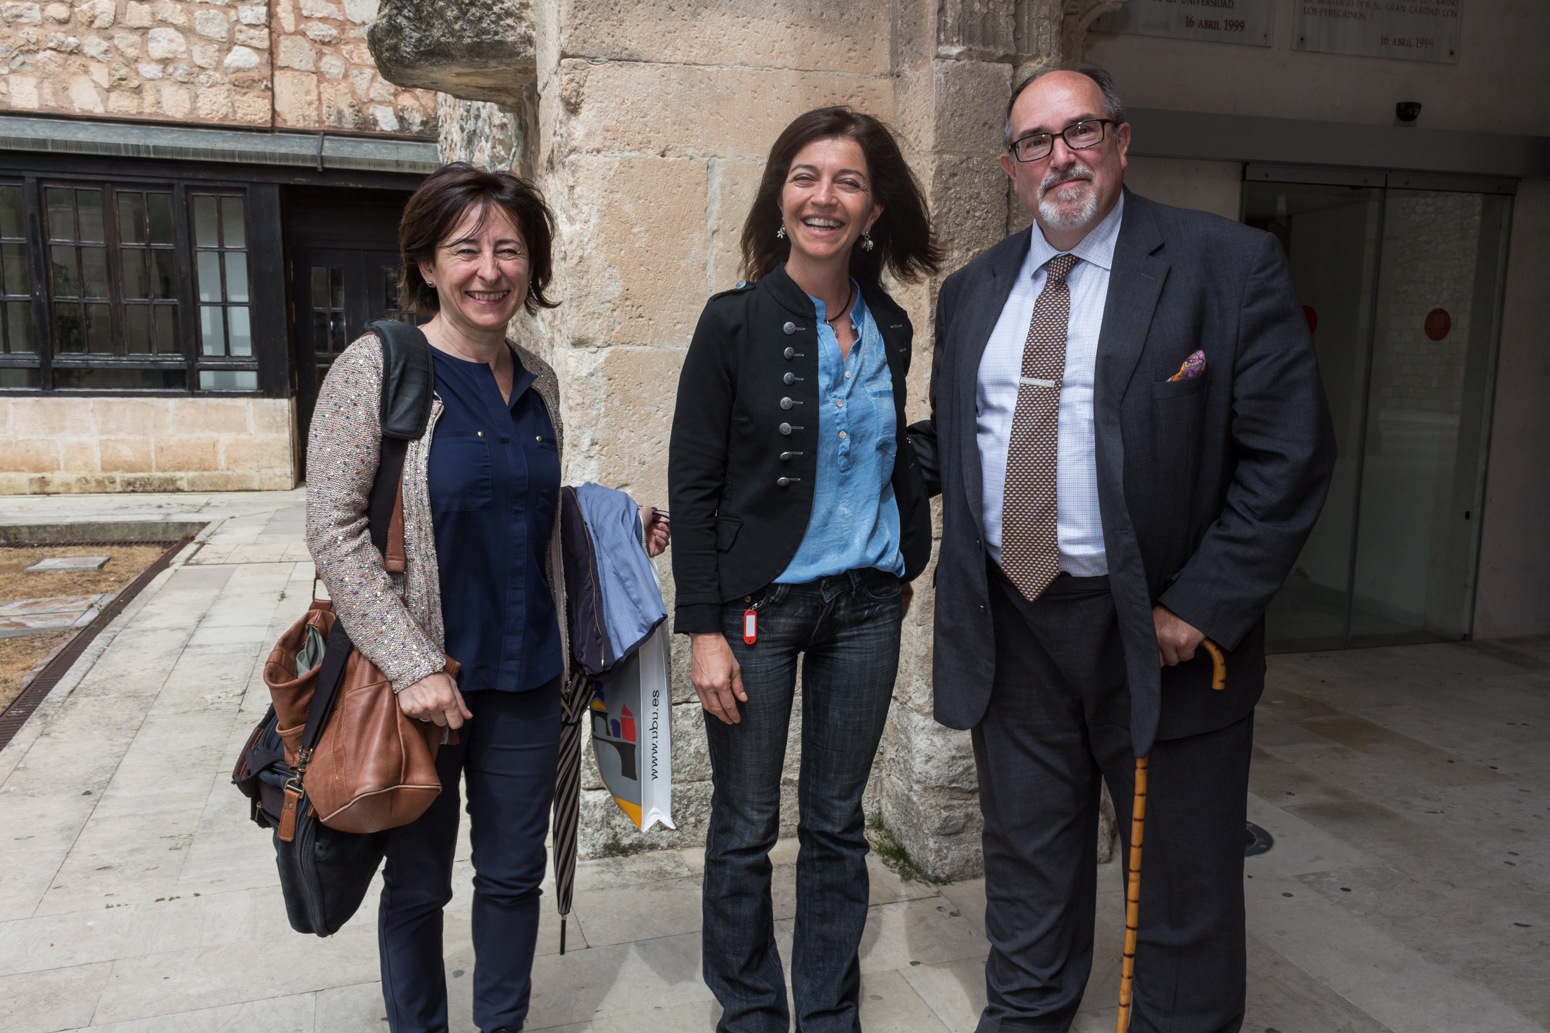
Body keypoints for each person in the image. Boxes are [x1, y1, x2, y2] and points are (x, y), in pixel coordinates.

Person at [906, 66, 1336, 1032]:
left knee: (1180, 898)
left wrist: (1202, 603)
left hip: (1160, 634)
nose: (1060, 156)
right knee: (1025, 883)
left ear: (1121, 140)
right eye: (1035, 141)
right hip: (1013, 632)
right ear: (1011, 166)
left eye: (1080, 130)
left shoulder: (1227, 265)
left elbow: (1292, 452)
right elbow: (955, 441)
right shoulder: (974, 290)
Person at [305, 163, 668, 1033]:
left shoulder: (538, 380)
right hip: (421, 689)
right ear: (428, 264)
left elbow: (525, 506)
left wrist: (613, 520)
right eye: (465, 248)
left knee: (513, 876)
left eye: (509, 249)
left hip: (527, 677)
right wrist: (411, 663)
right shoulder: (379, 369)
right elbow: (335, 530)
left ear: (531, 266)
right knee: (420, 883)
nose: (489, 269)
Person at [669, 107, 941, 1033]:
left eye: (849, 181)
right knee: (746, 827)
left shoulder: (892, 326)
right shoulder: (734, 321)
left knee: (836, 821)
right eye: (806, 176)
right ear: (780, 197)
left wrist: (904, 536)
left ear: (873, 209)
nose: (825, 196)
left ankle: (827, 1011)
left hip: (867, 608)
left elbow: (884, 452)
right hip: (757, 614)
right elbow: (694, 480)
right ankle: (749, 1012)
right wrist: (704, 626)